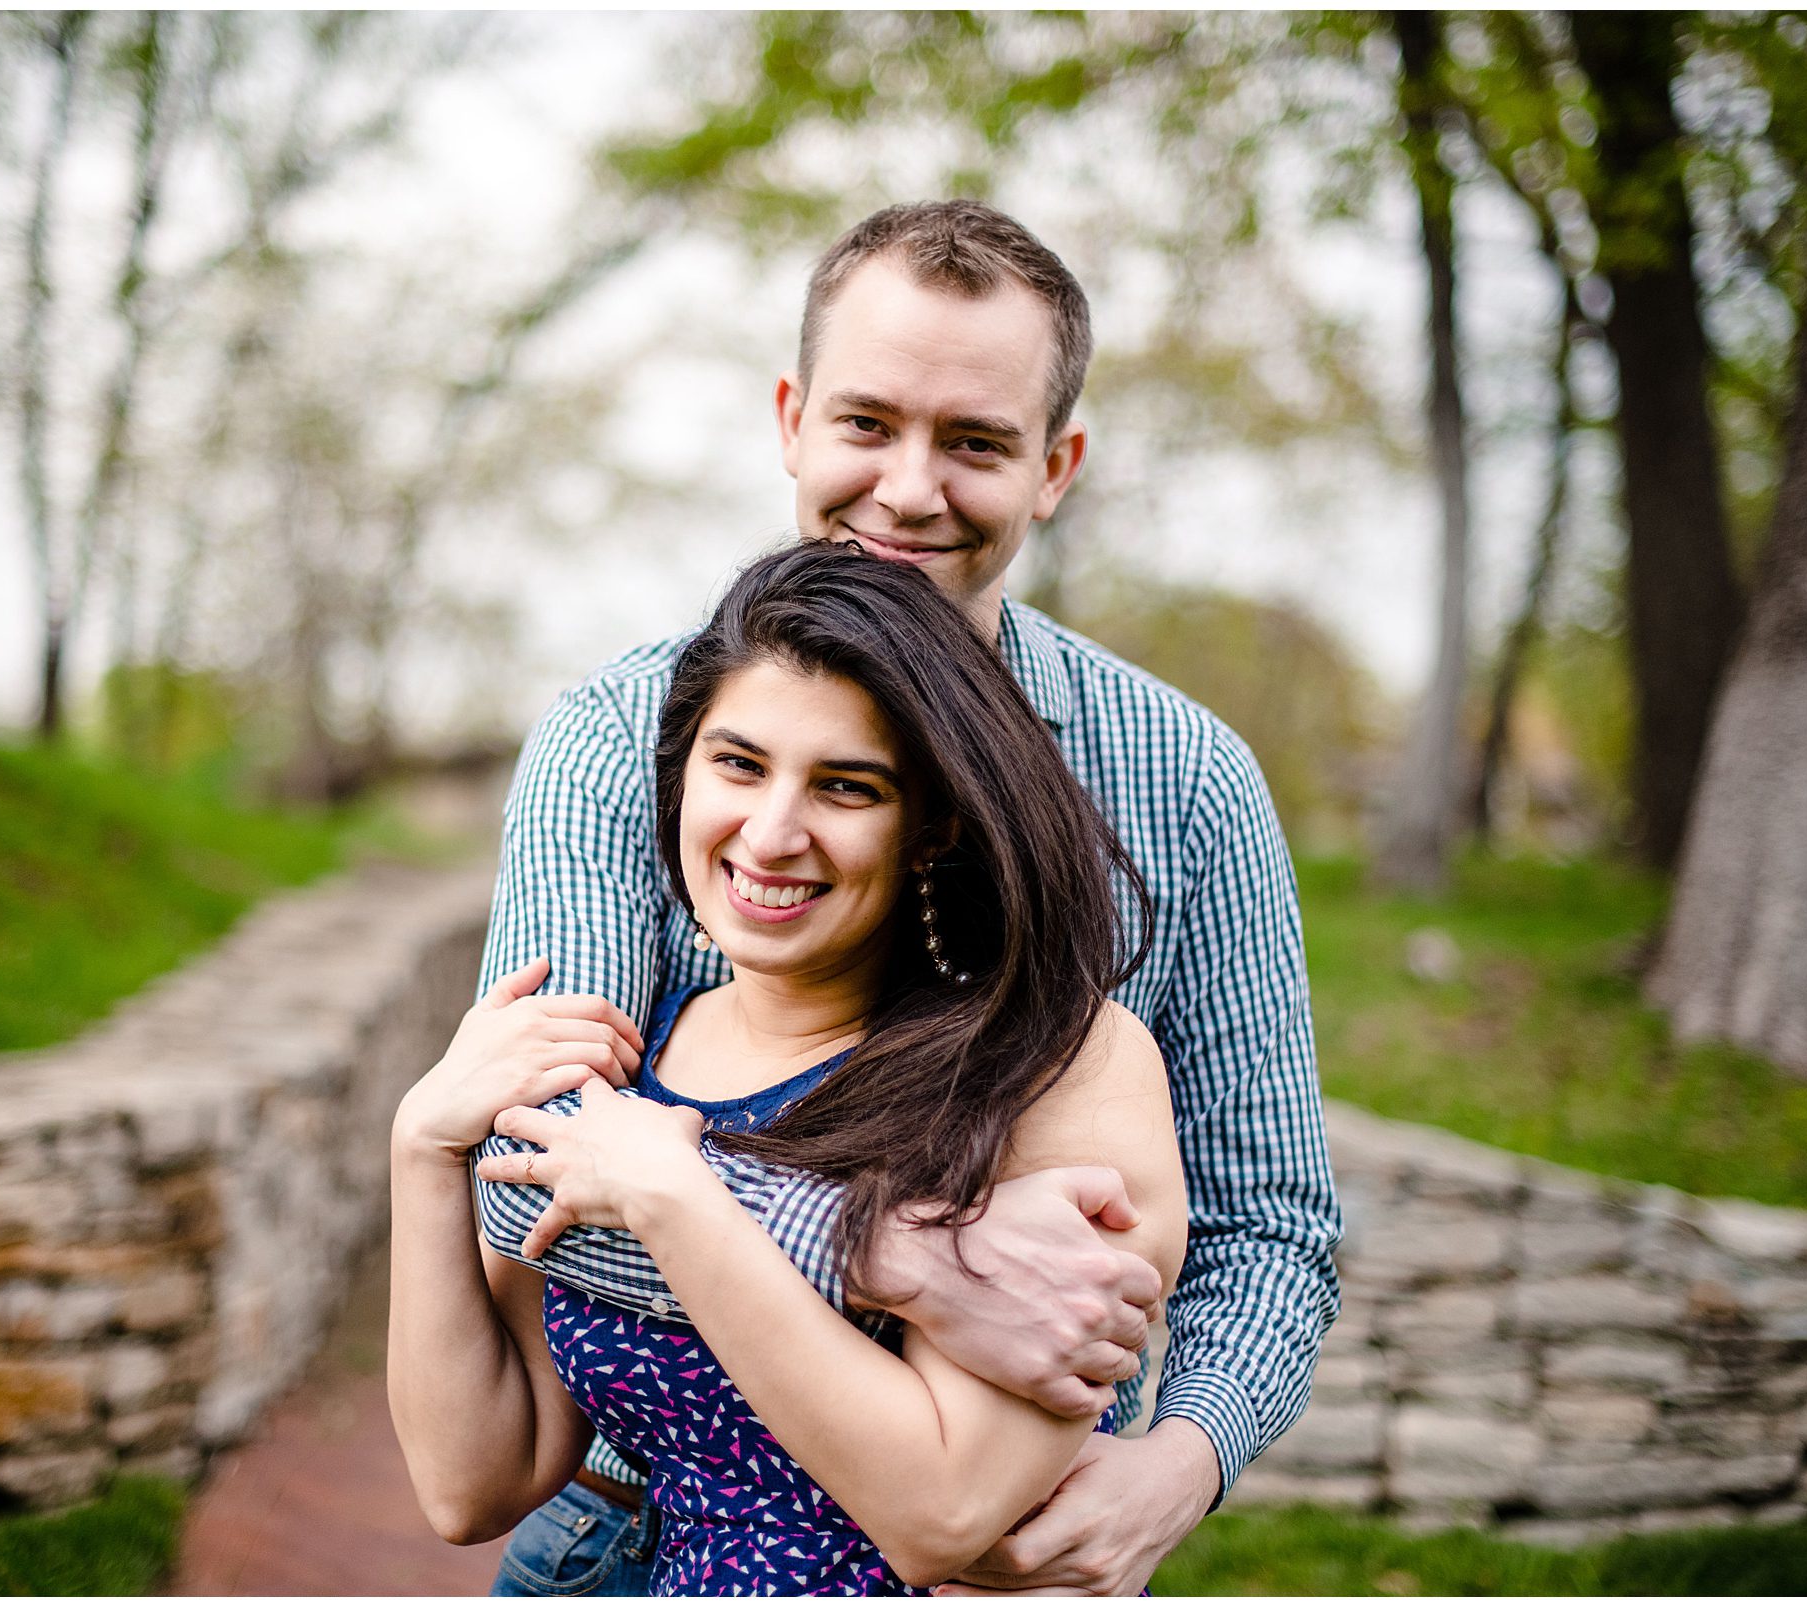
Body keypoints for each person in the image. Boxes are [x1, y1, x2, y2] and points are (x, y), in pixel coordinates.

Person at [463, 200, 1340, 1594]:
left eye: (976, 442)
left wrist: (1183, 1461)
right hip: (629, 1529)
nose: (910, 489)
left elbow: (1272, 1220)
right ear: (793, 421)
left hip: (991, 1542)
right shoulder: (621, 738)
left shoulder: (1185, 779)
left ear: (1056, 466)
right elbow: (536, 1170)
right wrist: (898, 1253)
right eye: (867, 424)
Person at [390, 542, 1188, 1594]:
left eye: (846, 786)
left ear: (932, 826)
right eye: (739, 763)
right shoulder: (638, 1054)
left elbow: (940, 1512)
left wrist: (678, 1197)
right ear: (681, 773)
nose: (771, 833)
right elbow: (474, 1481)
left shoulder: (1054, 1068)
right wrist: (420, 1149)